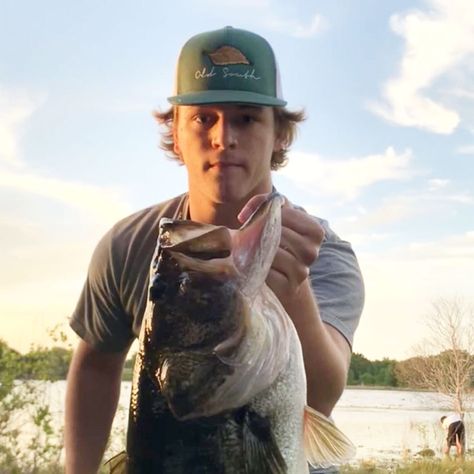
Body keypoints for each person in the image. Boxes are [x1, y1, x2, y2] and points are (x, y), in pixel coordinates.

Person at [64, 26, 365, 474]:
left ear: (280, 134)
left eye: (246, 117)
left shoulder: (323, 254)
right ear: (177, 133)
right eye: (204, 118)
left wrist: (295, 291)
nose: (225, 138)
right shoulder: (129, 246)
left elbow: (321, 396)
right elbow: (95, 367)